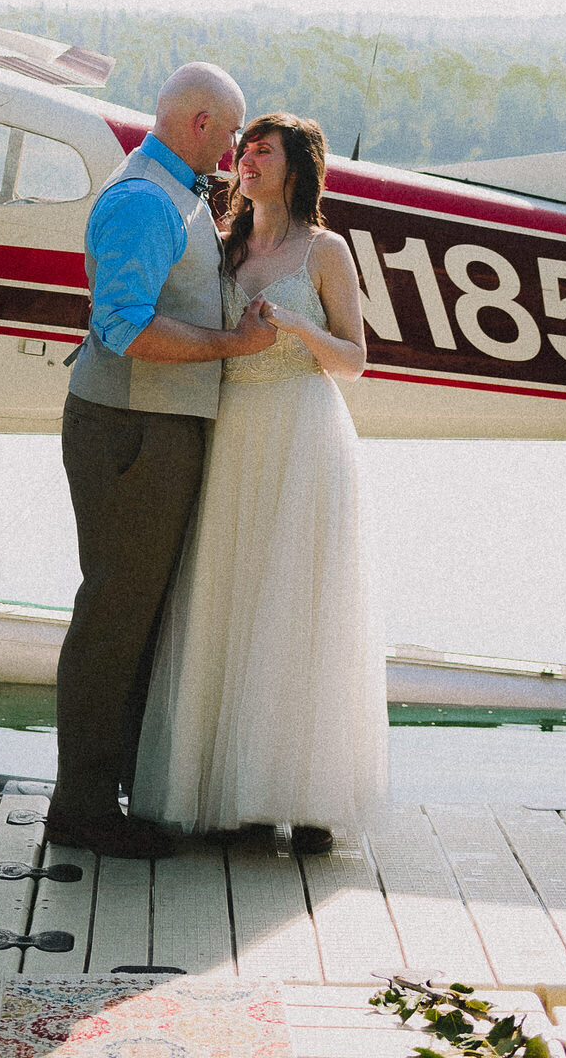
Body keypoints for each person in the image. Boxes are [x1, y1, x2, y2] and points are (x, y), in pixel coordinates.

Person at [132, 111, 388, 849]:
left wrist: (298, 331)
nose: (244, 159)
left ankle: (304, 800)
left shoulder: (327, 251)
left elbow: (354, 360)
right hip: (236, 429)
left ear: (296, 167)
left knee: (298, 612)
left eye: (261, 150)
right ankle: (234, 800)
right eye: (242, 150)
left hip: (306, 434)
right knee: (232, 601)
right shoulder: (223, 245)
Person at [50, 61, 280, 858]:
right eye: (231, 133)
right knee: (115, 614)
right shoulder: (146, 200)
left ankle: (114, 792)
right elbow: (123, 327)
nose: (236, 151)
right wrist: (232, 345)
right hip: (132, 428)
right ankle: (80, 806)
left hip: (155, 425)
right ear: (199, 124)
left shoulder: (177, 193)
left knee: (138, 615)